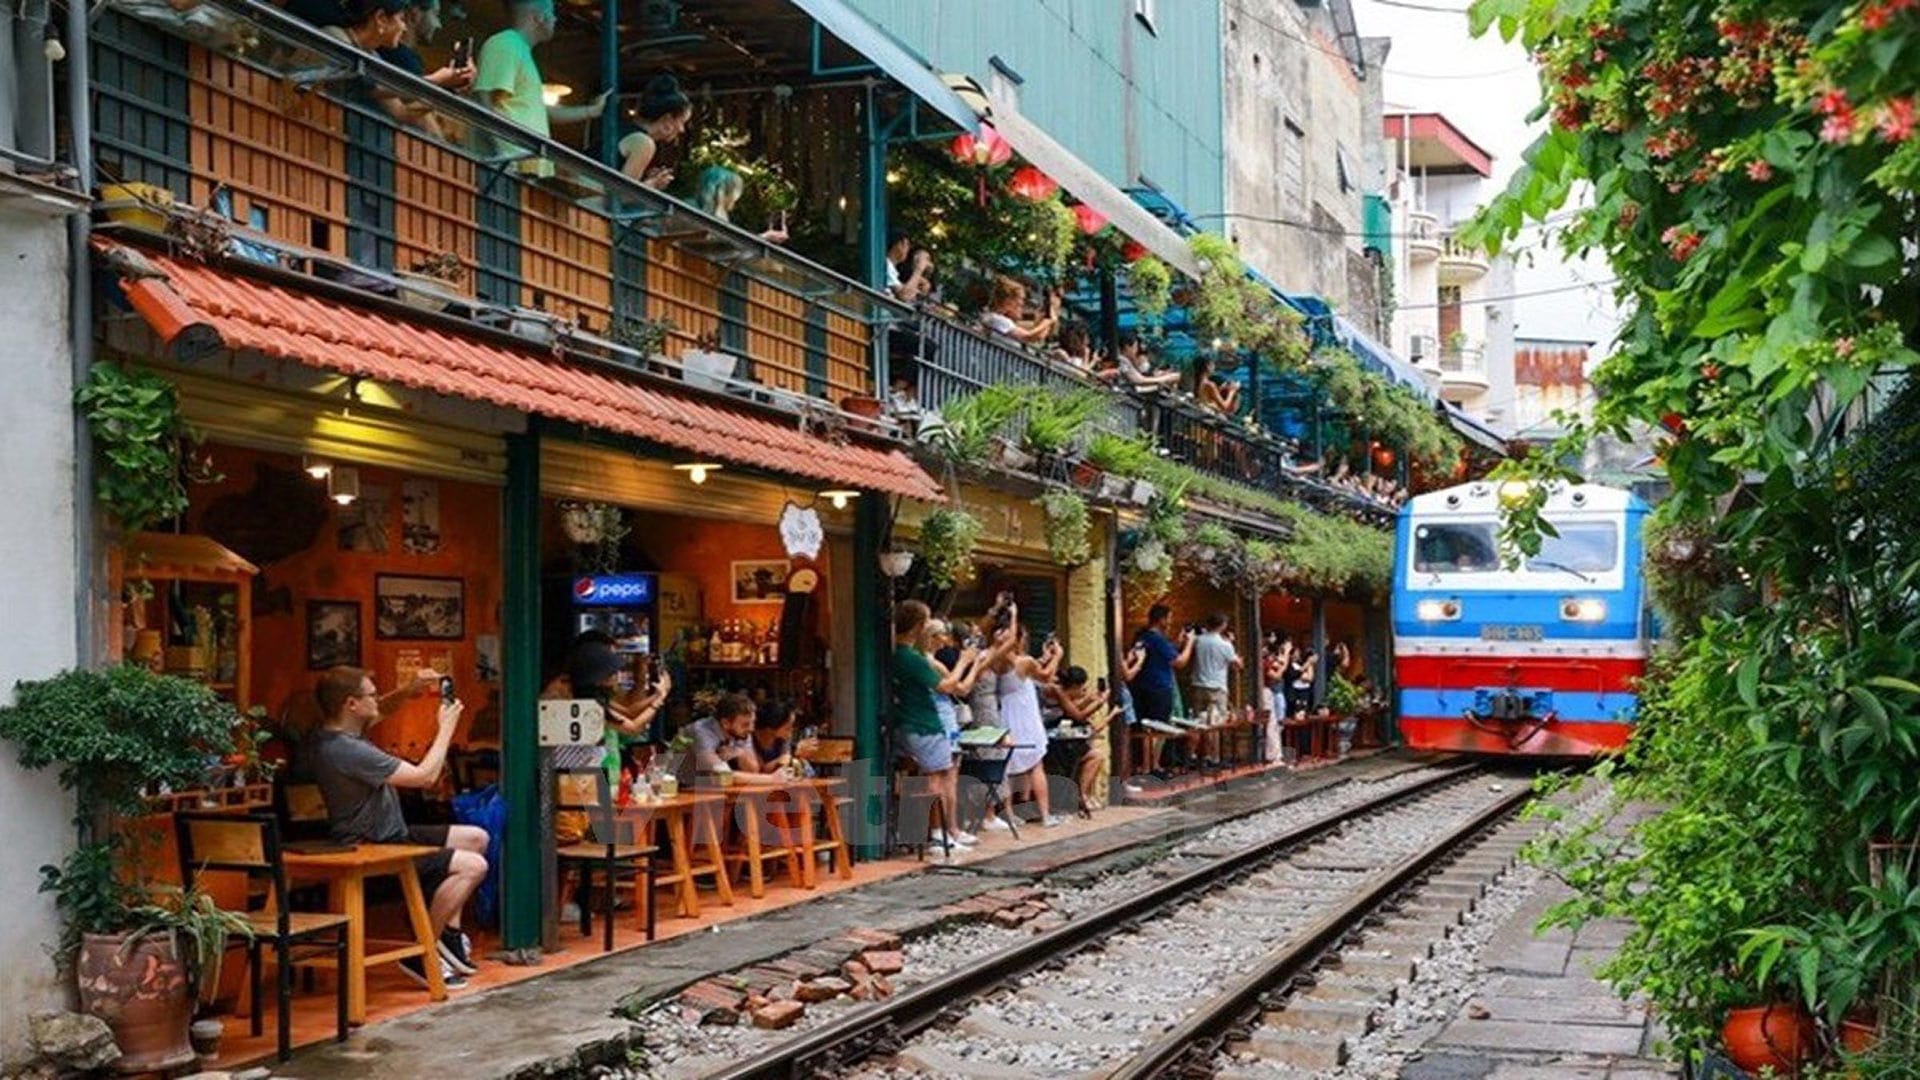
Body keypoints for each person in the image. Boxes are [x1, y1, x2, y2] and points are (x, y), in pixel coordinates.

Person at [305, 666, 486, 986]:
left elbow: (380, 710)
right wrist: (446, 728)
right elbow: (425, 778)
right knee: (472, 866)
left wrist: (408, 689)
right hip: (373, 846)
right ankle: (423, 950)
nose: (377, 699)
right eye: (371, 694)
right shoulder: (348, 750)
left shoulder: (336, 731)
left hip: (393, 833)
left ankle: (448, 932)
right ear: (351, 704)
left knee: (475, 838)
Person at [891, 600, 979, 849]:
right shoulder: (912, 658)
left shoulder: (900, 655)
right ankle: (940, 833)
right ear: (918, 625)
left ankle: (940, 832)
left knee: (936, 777)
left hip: (910, 722)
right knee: (938, 778)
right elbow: (947, 687)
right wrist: (965, 661)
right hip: (924, 724)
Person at [539, 633, 671, 786]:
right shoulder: (585, 704)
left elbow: (628, 712)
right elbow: (633, 726)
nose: (617, 676)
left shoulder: (591, 699)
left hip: (585, 776)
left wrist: (656, 695)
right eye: (611, 672)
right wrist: (659, 698)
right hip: (575, 779)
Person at [473, 0, 608, 141]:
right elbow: (484, 99)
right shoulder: (506, 43)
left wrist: (591, 111)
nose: (555, 19)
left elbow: (542, 112)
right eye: (551, 13)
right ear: (539, 17)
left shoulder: (518, 49)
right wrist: (504, 157)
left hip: (520, 159)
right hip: (507, 160)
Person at [994, 625, 1064, 828]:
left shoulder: (998, 661)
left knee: (1005, 765)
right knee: (1036, 765)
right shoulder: (1024, 661)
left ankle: (1008, 812)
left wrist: (1044, 657)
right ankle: (1045, 814)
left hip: (1007, 714)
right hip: (1025, 716)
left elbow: (1030, 671)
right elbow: (1046, 676)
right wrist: (1057, 656)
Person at [617, 74, 692, 188]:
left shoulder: (626, 130)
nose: (682, 130)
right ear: (667, 119)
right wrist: (653, 184)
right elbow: (623, 195)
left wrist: (647, 180)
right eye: (682, 122)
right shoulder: (643, 143)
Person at [691, 166, 788, 242]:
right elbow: (726, 244)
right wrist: (763, 237)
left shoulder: (718, 215)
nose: (735, 199)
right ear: (721, 192)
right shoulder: (690, 209)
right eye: (732, 193)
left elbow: (729, 244)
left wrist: (765, 237)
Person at [1186, 612, 1242, 721]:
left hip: (1198, 685)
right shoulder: (1225, 645)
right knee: (1217, 722)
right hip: (1217, 687)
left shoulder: (1198, 640)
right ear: (1223, 625)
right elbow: (1237, 665)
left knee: (1197, 721)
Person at [980, 277, 1059, 345]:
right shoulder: (997, 319)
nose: (1021, 303)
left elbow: (1037, 336)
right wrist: (1048, 321)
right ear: (1009, 300)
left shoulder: (996, 318)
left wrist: (1048, 316)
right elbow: (1028, 336)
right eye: (1020, 299)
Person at [1098, 332, 1181, 391]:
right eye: (1135, 347)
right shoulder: (1122, 361)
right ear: (1127, 347)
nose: (1136, 351)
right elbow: (1138, 380)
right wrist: (1165, 378)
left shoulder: (1125, 361)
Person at [885, 231, 934, 303]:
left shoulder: (892, 270)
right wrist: (919, 269)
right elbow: (904, 296)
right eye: (907, 244)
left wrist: (921, 290)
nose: (908, 249)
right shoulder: (886, 264)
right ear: (899, 245)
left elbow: (908, 295)